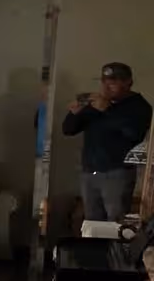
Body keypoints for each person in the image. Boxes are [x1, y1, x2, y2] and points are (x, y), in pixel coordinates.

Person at [62, 62, 151, 222]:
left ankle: (114, 248)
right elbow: (68, 130)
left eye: (113, 82)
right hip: (90, 173)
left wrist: (107, 110)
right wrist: (74, 114)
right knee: (91, 222)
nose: (107, 86)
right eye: (104, 81)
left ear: (128, 82)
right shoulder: (96, 102)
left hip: (117, 173)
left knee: (115, 223)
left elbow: (134, 134)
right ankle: (94, 247)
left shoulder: (139, 106)